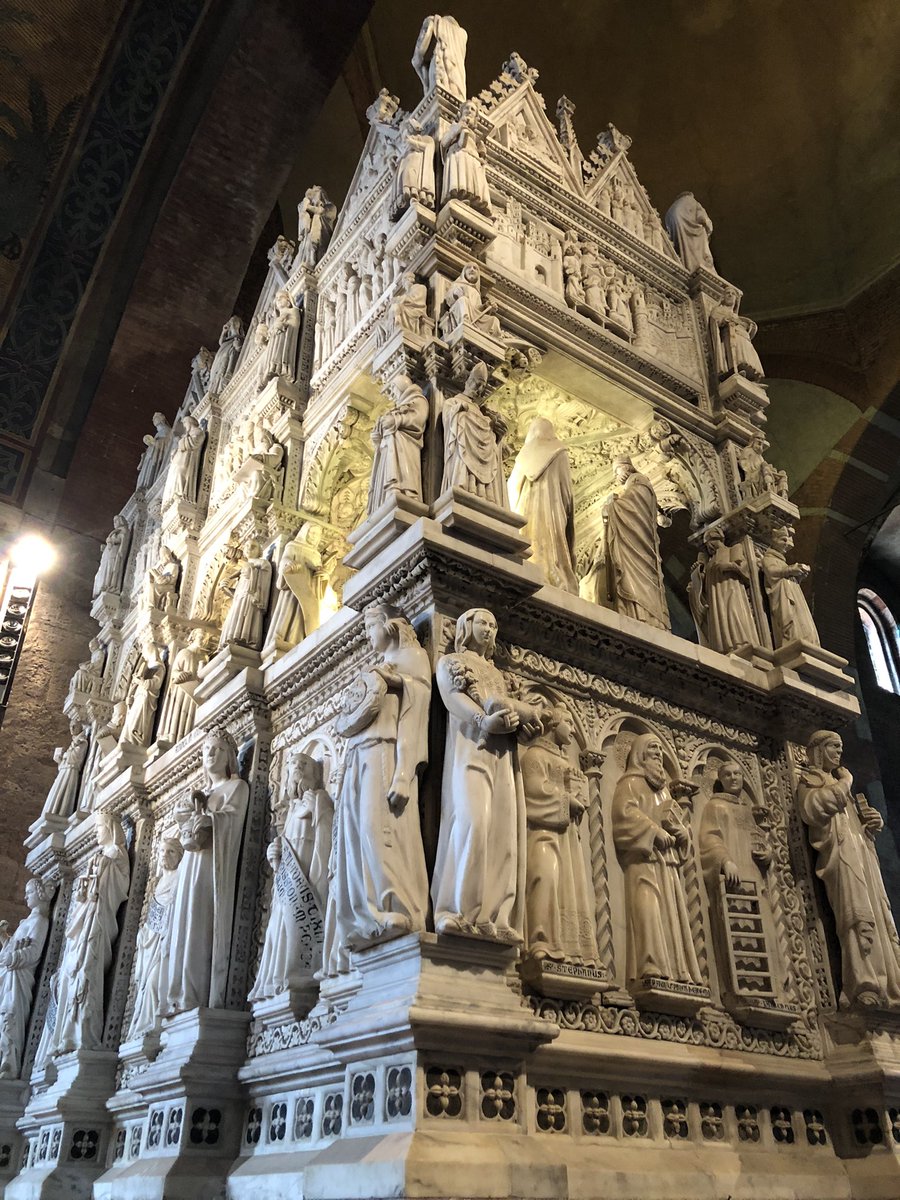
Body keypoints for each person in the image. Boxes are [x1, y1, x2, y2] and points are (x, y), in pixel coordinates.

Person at [323, 605, 430, 973]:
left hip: (385, 751)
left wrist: (403, 773)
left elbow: (417, 711)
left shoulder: (410, 658)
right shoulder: (378, 667)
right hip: (358, 755)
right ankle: (366, 916)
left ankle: (397, 906)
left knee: (377, 829)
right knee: (354, 836)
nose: (368, 636)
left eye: (371, 626)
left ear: (391, 624)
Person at [432, 608, 541, 943]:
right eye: (483, 623)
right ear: (466, 626)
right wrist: (484, 721)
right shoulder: (452, 662)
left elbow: (513, 714)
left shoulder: (499, 675)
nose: (490, 630)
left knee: (503, 834)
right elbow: (452, 699)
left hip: (503, 759)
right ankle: (455, 910)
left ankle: (495, 916)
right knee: (472, 822)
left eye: (494, 625)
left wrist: (523, 729)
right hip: (472, 751)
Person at [798, 731, 900, 1009]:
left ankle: (889, 985)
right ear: (818, 750)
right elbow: (813, 810)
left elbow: (853, 825)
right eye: (833, 747)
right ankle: (863, 985)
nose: (838, 753)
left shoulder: (840, 786)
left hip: (862, 858)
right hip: (842, 860)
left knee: (879, 918)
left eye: (840, 747)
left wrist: (870, 825)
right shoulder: (812, 781)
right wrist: (846, 781)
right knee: (855, 920)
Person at [165, 728, 249, 1013]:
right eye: (205, 750)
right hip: (192, 864)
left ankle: (196, 993)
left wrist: (208, 818)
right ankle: (179, 995)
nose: (210, 754)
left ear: (229, 757)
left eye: (216, 749)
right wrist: (191, 813)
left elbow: (232, 822)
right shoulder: (203, 794)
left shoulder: (236, 787)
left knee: (200, 921)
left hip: (212, 864)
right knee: (183, 923)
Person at [611, 733, 702, 988]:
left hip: (668, 863)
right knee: (647, 908)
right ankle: (649, 965)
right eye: (652, 749)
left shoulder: (664, 792)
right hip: (644, 860)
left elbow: (676, 822)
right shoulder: (630, 783)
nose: (658, 754)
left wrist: (683, 834)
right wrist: (653, 832)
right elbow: (623, 816)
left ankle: (675, 969)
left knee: (671, 914)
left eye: (660, 750)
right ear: (640, 754)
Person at [41, 812, 130, 1058]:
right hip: (84, 923)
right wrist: (85, 887)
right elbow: (87, 895)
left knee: (87, 973)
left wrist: (102, 869)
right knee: (71, 974)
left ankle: (85, 1034)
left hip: (99, 922)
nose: (98, 833)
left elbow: (119, 889)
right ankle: (68, 1034)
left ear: (112, 829)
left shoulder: (117, 855)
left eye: (101, 828)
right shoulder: (103, 856)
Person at [251, 751, 333, 998]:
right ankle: (281, 975)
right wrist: (273, 854)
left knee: (299, 919)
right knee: (282, 924)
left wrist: (317, 808)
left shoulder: (318, 798)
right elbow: (283, 845)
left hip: (309, 870)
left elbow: (329, 831)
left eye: (303, 764)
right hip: (288, 877)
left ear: (314, 773)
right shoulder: (290, 811)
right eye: (293, 765)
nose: (297, 767)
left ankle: (303, 971)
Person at [521, 707, 598, 965]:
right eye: (568, 723)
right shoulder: (535, 755)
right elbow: (532, 791)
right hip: (543, 833)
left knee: (571, 888)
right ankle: (540, 941)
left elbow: (580, 799)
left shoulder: (567, 762)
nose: (573, 730)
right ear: (553, 725)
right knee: (544, 878)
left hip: (567, 838)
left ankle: (574, 950)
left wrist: (579, 798)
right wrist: (567, 801)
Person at [507, 417, 578, 593]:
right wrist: (566, 509)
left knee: (531, 541)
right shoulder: (560, 453)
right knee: (553, 543)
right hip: (554, 514)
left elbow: (511, 490)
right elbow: (566, 490)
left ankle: (532, 566)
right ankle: (555, 573)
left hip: (526, 512)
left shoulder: (523, 457)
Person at [127, 836, 184, 1039]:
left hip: (166, 938)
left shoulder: (180, 877)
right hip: (151, 939)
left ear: (179, 856)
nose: (165, 855)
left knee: (155, 982)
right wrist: (144, 933)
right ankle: (145, 1026)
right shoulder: (159, 883)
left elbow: (180, 907)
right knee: (146, 986)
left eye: (170, 852)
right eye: (162, 851)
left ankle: (156, 1024)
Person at [603, 456, 669, 630]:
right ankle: (636, 612)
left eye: (617, 472)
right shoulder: (632, 485)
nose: (617, 476)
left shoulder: (639, 481)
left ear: (626, 468)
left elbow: (634, 506)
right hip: (630, 542)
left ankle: (645, 614)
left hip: (639, 541)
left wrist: (613, 505)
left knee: (639, 578)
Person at [0, 879, 51, 1077]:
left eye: (29, 892)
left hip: (19, 978)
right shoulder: (27, 922)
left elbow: (32, 952)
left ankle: (9, 1063)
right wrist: (5, 940)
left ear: (40, 894)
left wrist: (10, 957)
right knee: (4, 1017)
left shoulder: (39, 921)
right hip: (10, 977)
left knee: (11, 1017)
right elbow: (15, 949)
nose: (25, 897)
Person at [440, 362, 506, 504]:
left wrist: (494, 430)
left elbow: (489, 434)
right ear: (468, 382)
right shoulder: (453, 401)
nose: (479, 389)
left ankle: (482, 490)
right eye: (477, 384)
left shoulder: (478, 410)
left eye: (482, 387)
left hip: (482, 452)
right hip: (464, 448)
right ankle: (464, 483)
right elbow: (449, 418)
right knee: (462, 419)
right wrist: (460, 411)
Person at [688, 527, 757, 654]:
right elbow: (703, 585)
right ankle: (725, 647)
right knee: (721, 619)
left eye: (711, 542)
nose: (710, 547)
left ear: (718, 539)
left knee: (734, 613)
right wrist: (697, 575)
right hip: (716, 596)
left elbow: (745, 570)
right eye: (708, 544)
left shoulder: (733, 549)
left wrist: (730, 566)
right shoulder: (709, 562)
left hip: (732, 589)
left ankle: (741, 642)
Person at [368, 376, 429, 512]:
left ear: (401, 387)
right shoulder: (400, 405)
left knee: (405, 471)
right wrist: (378, 433)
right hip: (390, 447)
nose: (394, 393)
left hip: (405, 444)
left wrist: (397, 420)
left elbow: (418, 418)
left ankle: (405, 491)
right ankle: (391, 490)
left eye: (394, 389)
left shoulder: (418, 400)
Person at [261, 525, 325, 657]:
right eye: (312, 533)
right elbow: (285, 560)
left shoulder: (316, 554)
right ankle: (283, 636)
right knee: (289, 609)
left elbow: (320, 572)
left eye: (317, 535)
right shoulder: (293, 546)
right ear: (305, 532)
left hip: (309, 590)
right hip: (294, 585)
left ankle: (299, 638)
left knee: (304, 614)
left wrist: (323, 575)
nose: (314, 536)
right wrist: (289, 564)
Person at [760, 525, 820, 647]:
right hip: (783, 596)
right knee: (789, 619)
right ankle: (791, 639)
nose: (788, 544)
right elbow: (772, 572)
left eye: (788, 540)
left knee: (802, 619)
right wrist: (790, 570)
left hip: (793, 594)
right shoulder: (768, 558)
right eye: (783, 539)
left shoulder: (782, 561)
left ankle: (807, 639)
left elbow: (788, 576)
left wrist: (799, 576)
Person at [440, 100, 491, 215]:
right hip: (460, 154)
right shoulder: (455, 126)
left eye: (473, 109)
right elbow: (444, 143)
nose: (469, 111)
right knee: (462, 179)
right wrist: (459, 128)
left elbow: (481, 150)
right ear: (461, 112)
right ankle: (461, 198)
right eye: (466, 108)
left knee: (473, 181)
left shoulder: (476, 136)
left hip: (472, 157)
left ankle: (476, 205)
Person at [219, 541, 272, 651]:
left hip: (250, 598)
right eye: (247, 546)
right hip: (240, 597)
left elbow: (262, 569)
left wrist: (244, 569)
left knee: (247, 620)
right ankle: (233, 638)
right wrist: (227, 589)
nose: (249, 548)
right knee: (235, 616)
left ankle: (245, 639)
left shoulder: (261, 564)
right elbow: (238, 592)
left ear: (260, 552)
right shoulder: (247, 566)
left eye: (253, 547)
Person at [157, 628, 206, 744]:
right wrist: (181, 675)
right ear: (193, 638)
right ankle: (177, 739)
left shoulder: (204, 657)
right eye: (200, 637)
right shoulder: (185, 653)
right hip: (183, 690)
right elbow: (174, 673)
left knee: (191, 718)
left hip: (195, 692)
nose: (202, 641)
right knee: (179, 717)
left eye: (204, 639)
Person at [412, 13, 468, 99]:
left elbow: (420, 50)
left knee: (436, 96)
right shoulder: (463, 34)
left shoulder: (435, 21)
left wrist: (417, 60)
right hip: (458, 74)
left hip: (439, 65)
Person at [390, 118, 436, 219]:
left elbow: (429, 148)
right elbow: (399, 173)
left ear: (410, 128)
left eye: (403, 130)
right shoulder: (404, 149)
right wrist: (393, 168)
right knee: (406, 178)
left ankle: (415, 197)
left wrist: (412, 143)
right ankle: (405, 202)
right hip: (408, 163)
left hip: (415, 163)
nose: (402, 134)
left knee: (411, 176)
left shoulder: (425, 139)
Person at [664, 191, 716, 273]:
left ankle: (688, 264)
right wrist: (709, 228)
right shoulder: (693, 202)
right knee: (700, 256)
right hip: (695, 237)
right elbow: (702, 218)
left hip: (678, 243)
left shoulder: (670, 211)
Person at [163, 415, 206, 505]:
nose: (184, 426)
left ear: (190, 423)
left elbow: (194, 443)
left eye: (185, 423)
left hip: (187, 459)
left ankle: (181, 495)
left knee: (180, 473)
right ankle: (174, 497)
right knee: (174, 477)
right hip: (179, 459)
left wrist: (180, 441)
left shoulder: (197, 431)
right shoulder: (186, 435)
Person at [296, 185, 336, 268]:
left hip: (323, 244)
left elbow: (321, 211)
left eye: (316, 192)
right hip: (311, 243)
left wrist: (308, 206)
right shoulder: (311, 216)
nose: (314, 196)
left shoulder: (330, 206)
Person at [92, 514, 129, 596]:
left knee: (112, 569)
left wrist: (111, 540)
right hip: (110, 553)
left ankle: (112, 586)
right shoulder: (117, 531)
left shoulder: (123, 530)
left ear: (120, 521)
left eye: (116, 521)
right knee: (107, 569)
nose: (114, 523)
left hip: (115, 553)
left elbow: (122, 540)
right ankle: (106, 585)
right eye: (114, 521)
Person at [136, 412, 173, 490]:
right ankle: (143, 486)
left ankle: (147, 486)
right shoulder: (157, 434)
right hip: (150, 456)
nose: (155, 420)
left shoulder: (167, 430)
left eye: (157, 418)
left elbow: (167, 443)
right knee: (143, 474)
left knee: (151, 468)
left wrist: (154, 443)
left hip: (157, 455)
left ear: (162, 419)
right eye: (154, 419)